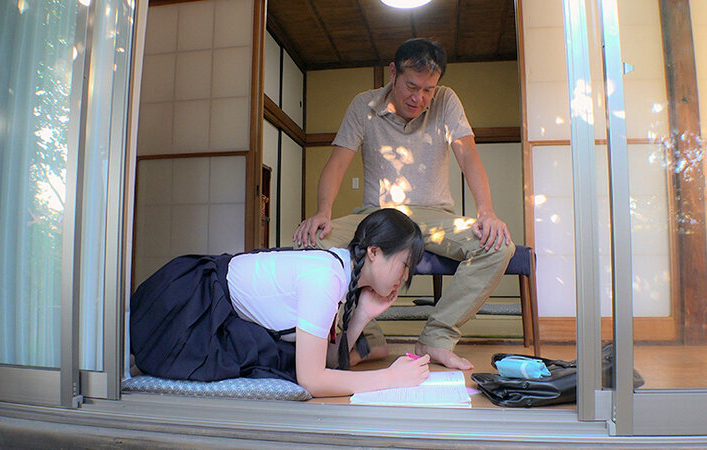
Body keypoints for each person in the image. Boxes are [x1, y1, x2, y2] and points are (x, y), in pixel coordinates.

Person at [293, 38, 516, 371]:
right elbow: (337, 163)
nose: (419, 98)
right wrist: (323, 212)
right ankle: (366, 337)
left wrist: (487, 212)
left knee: (498, 246)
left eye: (428, 90)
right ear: (393, 72)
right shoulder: (364, 105)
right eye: (412, 86)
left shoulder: (446, 101)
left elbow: (468, 155)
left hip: (435, 216)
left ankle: (436, 337)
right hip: (378, 217)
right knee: (311, 242)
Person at [130, 209, 430, 398]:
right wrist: (390, 378)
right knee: (281, 362)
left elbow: (328, 362)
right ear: (374, 252)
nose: (404, 278)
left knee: (286, 357)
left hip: (218, 308)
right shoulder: (325, 278)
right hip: (188, 309)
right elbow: (312, 381)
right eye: (405, 265)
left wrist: (362, 315)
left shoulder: (338, 270)